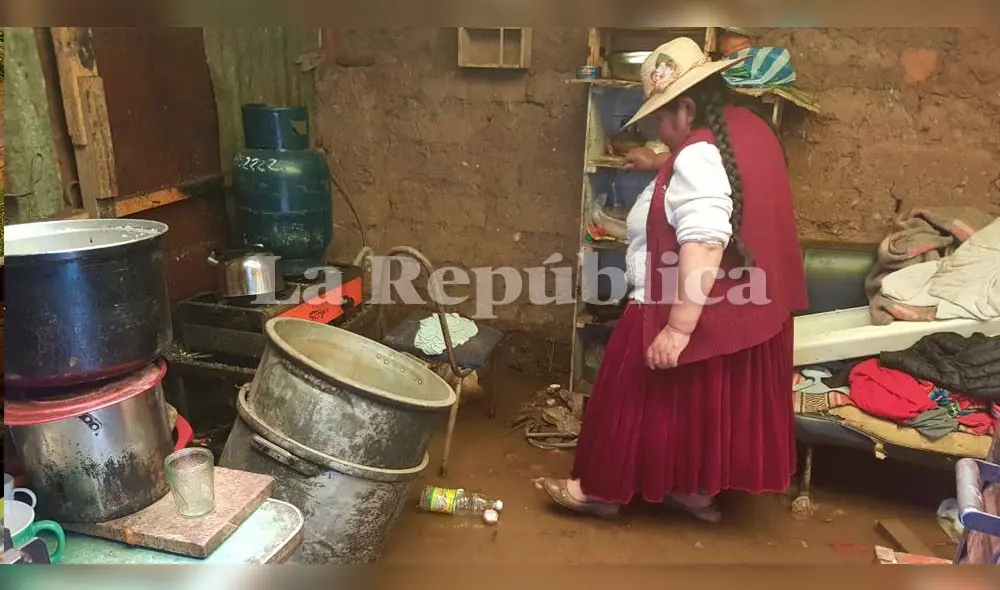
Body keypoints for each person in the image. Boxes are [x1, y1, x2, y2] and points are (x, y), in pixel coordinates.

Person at [541, 37, 808, 522]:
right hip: (746, 302)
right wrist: (662, 161)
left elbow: (705, 240)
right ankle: (692, 490)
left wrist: (679, 326)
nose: (660, 131)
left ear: (687, 108)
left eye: (662, 120)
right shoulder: (748, 129)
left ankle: (598, 490)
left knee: (626, 393)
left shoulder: (696, 157)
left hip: (683, 295)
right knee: (696, 407)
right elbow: (723, 176)